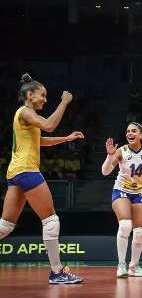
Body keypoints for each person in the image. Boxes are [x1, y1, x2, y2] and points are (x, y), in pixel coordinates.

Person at [0, 73, 84, 284]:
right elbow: (48, 125)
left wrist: (67, 138)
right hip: (27, 170)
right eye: (43, 95)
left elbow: (41, 139)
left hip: (15, 172)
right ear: (30, 95)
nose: (45, 99)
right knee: (51, 220)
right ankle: (57, 272)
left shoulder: (26, 116)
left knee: (6, 226)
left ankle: (57, 272)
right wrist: (64, 102)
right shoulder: (25, 112)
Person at [102, 122, 142, 278]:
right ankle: (121, 265)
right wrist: (109, 156)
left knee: (140, 232)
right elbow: (105, 172)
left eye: (134, 131)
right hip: (121, 191)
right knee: (126, 225)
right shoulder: (121, 151)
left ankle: (134, 266)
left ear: (141, 135)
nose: (130, 133)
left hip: (139, 192)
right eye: (128, 131)